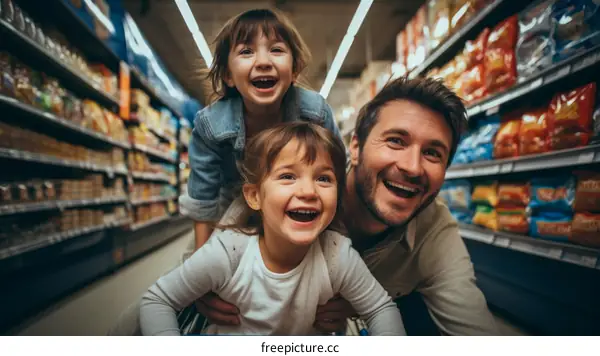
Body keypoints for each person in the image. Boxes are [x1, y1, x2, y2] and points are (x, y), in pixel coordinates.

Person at [193, 76, 499, 336]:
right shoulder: (290, 196)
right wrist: (201, 287)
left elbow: (477, 333)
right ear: (355, 145)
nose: (412, 167)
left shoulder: (434, 231)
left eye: (433, 153)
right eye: (395, 141)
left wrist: (360, 305)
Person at [139, 122, 406, 336]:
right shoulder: (230, 253)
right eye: (288, 176)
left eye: (323, 178)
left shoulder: (336, 255)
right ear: (254, 196)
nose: (308, 191)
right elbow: (158, 300)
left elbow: (380, 309)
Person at [180, 8, 343, 251]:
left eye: (276, 50)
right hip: (233, 210)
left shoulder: (315, 112)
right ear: (228, 75)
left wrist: (337, 244)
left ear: (294, 70)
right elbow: (203, 201)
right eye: (246, 52)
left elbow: (339, 174)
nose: (264, 62)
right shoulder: (212, 125)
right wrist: (200, 263)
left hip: (298, 206)